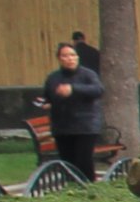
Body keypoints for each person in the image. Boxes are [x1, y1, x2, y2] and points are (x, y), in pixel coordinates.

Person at [41, 39, 105, 178]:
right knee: (67, 163)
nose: (70, 59)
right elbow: (48, 95)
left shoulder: (88, 74)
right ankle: (71, 189)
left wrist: (73, 89)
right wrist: (46, 102)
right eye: (65, 56)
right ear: (59, 59)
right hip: (62, 127)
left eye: (73, 55)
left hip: (85, 126)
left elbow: (98, 90)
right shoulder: (53, 77)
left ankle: (87, 190)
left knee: (83, 161)